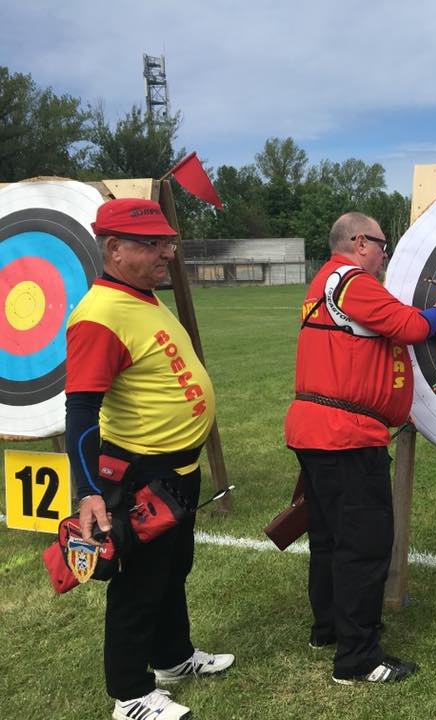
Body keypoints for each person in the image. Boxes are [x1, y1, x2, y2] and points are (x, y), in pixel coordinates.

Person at [65, 197, 234, 720]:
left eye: (169, 242)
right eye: (153, 244)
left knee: (172, 570)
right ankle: (131, 695)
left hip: (175, 469)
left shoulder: (140, 296)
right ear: (115, 248)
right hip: (141, 475)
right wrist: (89, 492)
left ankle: (172, 659)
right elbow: (81, 412)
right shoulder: (100, 314)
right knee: (139, 585)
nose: (168, 253)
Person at [284, 211, 436, 685]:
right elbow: (405, 325)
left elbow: (379, 331)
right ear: (360, 241)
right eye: (383, 244)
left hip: (318, 430)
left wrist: (431, 329)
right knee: (363, 546)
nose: (386, 254)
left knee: (329, 539)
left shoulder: (324, 283)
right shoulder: (352, 279)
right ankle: (357, 658)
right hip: (345, 437)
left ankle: (327, 628)